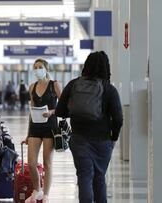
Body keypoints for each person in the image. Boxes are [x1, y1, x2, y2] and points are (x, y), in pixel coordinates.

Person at [56, 51, 123, 203]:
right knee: (99, 177)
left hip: (79, 138)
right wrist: (113, 138)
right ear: (106, 67)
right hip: (102, 140)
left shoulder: (73, 84)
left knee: (84, 176)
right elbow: (118, 119)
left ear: (86, 65)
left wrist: (74, 111)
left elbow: (60, 111)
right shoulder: (109, 89)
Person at [24, 59, 62, 203]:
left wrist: (52, 111)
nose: (37, 70)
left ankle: (45, 194)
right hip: (35, 127)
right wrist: (28, 134)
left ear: (46, 68)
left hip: (50, 127)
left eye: (40, 67)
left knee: (47, 163)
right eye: (35, 67)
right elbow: (31, 111)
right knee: (31, 162)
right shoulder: (32, 87)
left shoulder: (54, 85)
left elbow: (64, 106)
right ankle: (37, 190)